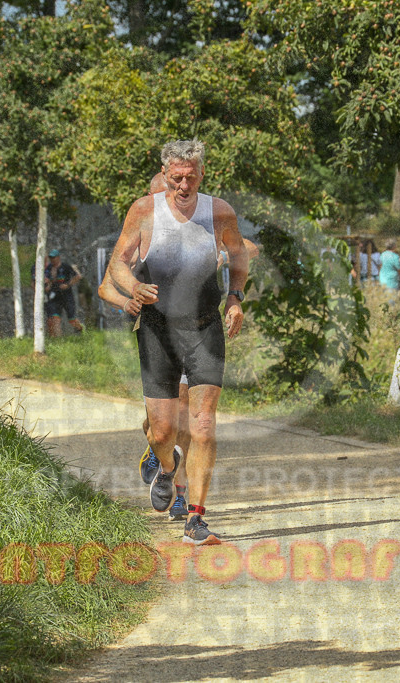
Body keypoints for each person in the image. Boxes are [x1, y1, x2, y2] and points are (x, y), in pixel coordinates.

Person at [107, 140, 248, 545]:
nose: (184, 185)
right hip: (157, 329)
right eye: (176, 177)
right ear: (165, 175)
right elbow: (118, 261)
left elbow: (238, 256)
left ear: (202, 174)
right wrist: (133, 287)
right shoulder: (144, 210)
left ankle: (196, 521)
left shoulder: (219, 212)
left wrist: (235, 298)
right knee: (163, 432)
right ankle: (167, 468)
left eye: (191, 177)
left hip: (205, 327)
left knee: (203, 426)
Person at [44, 249, 84, 336]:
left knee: (71, 320)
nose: (52, 260)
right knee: (55, 318)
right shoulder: (49, 268)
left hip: (67, 296)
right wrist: (48, 284)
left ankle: (80, 328)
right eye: (51, 258)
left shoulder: (65, 267)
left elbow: (77, 277)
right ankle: (59, 339)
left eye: (54, 258)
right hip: (55, 296)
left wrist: (68, 285)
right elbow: (48, 280)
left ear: (58, 257)